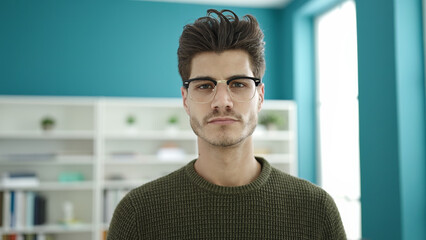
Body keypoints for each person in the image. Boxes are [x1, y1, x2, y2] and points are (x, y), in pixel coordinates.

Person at [107, 9, 346, 239]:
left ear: (260, 96)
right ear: (185, 100)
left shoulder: (317, 210)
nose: (222, 102)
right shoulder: (137, 214)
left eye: (238, 83)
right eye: (204, 85)